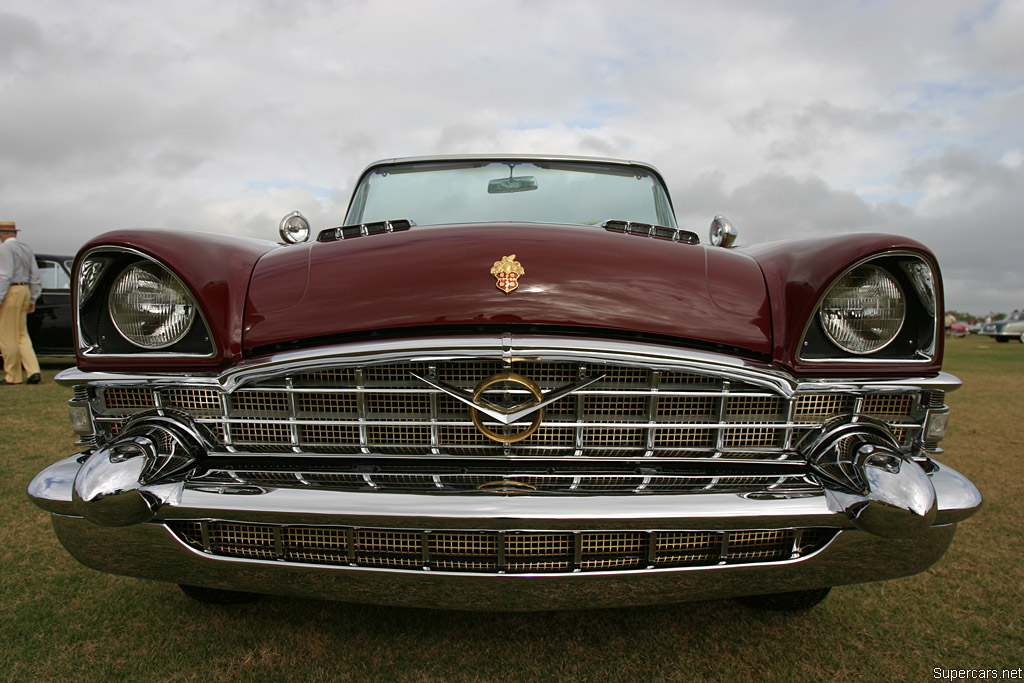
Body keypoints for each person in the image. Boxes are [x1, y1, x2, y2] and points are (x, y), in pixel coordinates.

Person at [0, 221, 42, 385]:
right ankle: (33, 371)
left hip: (12, 291)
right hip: (25, 291)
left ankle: (13, 375)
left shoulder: (5, 249)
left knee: (7, 335)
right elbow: (35, 275)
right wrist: (33, 297)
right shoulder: (26, 248)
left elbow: (5, 275)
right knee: (22, 334)